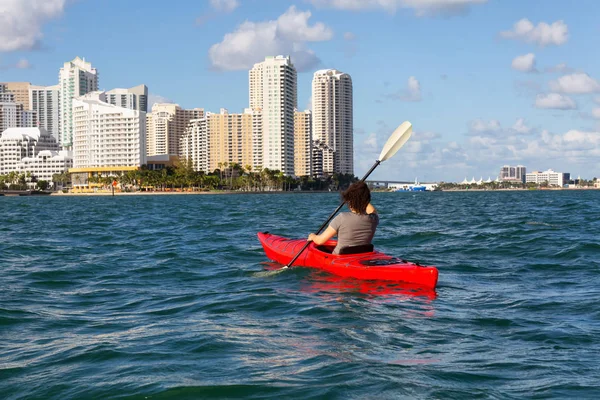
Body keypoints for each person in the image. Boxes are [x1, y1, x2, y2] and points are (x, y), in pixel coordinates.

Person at [308, 182, 379, 254]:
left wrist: (313, 236)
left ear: (350, 201)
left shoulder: (342, 218)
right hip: (360, 256)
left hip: (338, 258)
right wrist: (363, 197)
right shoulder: (373, 219)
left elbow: (320, 241)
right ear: (367, 200)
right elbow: (372, 210)